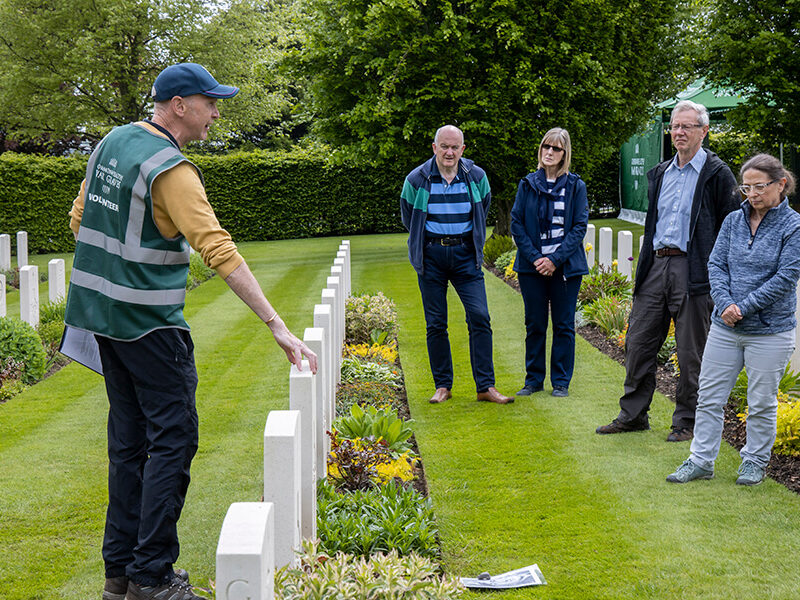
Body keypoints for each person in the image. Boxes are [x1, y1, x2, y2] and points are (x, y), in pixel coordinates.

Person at [63, 63, 317, 600]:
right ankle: (152, 576)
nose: (216, 112)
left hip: (105, 324)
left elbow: (80, 219)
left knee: (129, 446)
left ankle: (120, 576)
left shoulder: (111, 144)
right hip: (151, 327)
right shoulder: (172, 170)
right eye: (210, 102)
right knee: (174, 442)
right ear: (180, 105)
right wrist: (276, 325)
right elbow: (218, 249)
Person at [596, 100, 738, 441]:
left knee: (691, 351)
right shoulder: (660, 173)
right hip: (656, 265)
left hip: (694, 269)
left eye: (687, 126)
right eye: (675, 126)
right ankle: (633, 415)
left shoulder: (718, 174)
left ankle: (687, 421)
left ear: (704, 131)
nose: (679, 132)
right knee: (638, 342)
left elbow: (730, 226)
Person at [667, 154, 800, 485]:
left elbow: (786, 277)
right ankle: (700, 460)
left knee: (761, 402)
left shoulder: (793, 226)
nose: (751, 194)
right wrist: (726, 304)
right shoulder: (733, 221)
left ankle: (754, 461)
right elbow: (716, 264)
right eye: (746, 188)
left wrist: (744, 307)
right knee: (709, 396)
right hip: (725, 327)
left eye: (759, 187)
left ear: (780, 184)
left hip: (769, 332)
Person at [400, 124, 512, 405]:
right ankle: (442, 386)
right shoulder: (417, 179)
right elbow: (409, 217)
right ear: (434, 147)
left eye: (455, 147)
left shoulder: (476, 177)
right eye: (444, 146)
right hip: (431, 257)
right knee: (436, 323)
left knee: (480, 316)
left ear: (463, 149)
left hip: (465, 255)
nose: (449, 152)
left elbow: (482, 208)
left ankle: (485, 386)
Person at [510, 128, 589, 398]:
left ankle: (561, 382)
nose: (549, 152)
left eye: (555, 148)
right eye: (546, 146)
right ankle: (533, 380)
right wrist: (536, 258)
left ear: (564, 153)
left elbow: (579, 227)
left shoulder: (576, 186)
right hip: (531, 267)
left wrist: (554, 260)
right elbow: (516, 223)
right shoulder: (527, 183)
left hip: (565, 268)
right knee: (535, 324)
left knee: (564, 325)